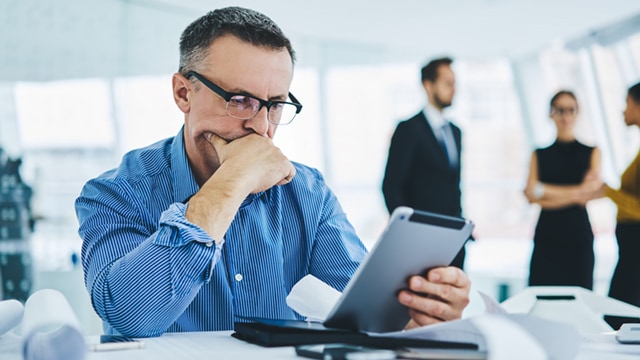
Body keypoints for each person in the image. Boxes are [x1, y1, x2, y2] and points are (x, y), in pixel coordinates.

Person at [75, 7, 471, 338]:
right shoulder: (115, 192)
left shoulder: (308, 192)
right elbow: (129, 316)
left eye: (275, 105)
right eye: (240, 100)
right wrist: (231, 183)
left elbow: (360, 313)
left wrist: (418, 312)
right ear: (183, 93)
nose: (262, 128)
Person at [382, 57, 467, 269]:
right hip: (420, 243)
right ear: (428, 86)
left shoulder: (455, 132)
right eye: (448, 83)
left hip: (454, 240)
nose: (453, 89)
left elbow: (452, 186)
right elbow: (391, 187)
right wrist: (409, 234)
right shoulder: (408, 129)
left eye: (454, 83)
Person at [523, 90, 601, 289]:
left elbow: (587, 195)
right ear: (551, 113)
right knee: (541, 299)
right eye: (560, 110)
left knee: (579, 302)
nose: (566, 116)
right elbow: (531, 193)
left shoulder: (592, 152)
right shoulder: (539, 154)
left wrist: (545, 191)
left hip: (577, 237)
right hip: (547, 238)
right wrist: (576, 194)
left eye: (571, 110)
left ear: (578, 113)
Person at [589, 82, 640, 306]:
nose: (623, 110)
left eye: (627, 103)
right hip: (630, 253)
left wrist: (609, 191)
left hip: (635, 255)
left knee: (621, 314)